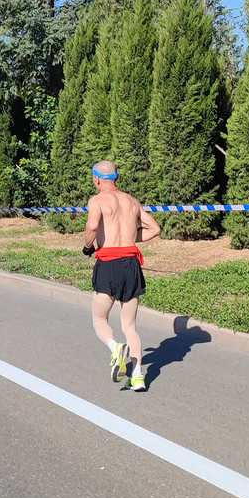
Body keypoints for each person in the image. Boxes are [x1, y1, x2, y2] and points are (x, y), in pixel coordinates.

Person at [82, 161, 161, 391]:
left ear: (97, 179)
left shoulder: (96, 201)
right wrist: (128, 239)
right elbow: (155, 229)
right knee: (130, 326)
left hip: (108, 264)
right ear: (116, 178)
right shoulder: (132, 201)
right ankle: (137, 376)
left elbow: (92, 225)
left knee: (99, 319)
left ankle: (115, 348)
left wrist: (88, 246)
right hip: (131, 265)